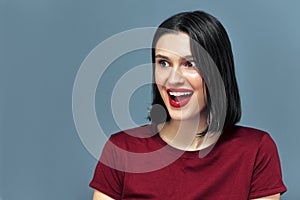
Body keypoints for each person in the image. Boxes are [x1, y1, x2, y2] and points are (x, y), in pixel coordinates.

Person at [90, 10, 287, 199]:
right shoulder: (121, 149)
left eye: (190, 64)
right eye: (164, 63)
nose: (173, 79)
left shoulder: (256, 150)